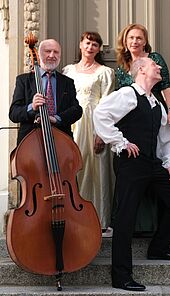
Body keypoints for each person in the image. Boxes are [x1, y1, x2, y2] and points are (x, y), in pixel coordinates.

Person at [93, 57, 170, 291]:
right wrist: (121, 142)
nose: (158, 67)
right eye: (154, 65)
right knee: (125, 218)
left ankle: (158, 248)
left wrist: (169, 163)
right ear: (142, 70)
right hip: (131, 164)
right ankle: (121, 276)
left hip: (153, 163)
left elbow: (165, 137)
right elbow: (101, 114)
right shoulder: (128, 94)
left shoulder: (156, 102)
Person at [114, 23, 170, 233]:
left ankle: (157, 225)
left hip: (154, 113)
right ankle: (136, 226)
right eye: (131, 38)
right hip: (130, 123)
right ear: (125, 41)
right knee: (134, 173)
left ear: (145, 41)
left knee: (158, 168)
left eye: (139, 38)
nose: (135, 41)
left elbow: (166, 87)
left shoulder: (155, 59)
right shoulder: (120, 67)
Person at [63, 32, 115, 231]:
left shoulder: (104, 72)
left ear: (99, 49)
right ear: (80, 45)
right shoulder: (68, 70)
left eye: (95, 44)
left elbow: (107, 103)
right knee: (73, 167)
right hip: (72, 122)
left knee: (95, 170)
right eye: (87, 43)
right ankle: (72, 217)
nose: (90, 47)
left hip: (94, 123)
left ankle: (98, 219)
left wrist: (101, 133)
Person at [9, 38, 82, 145]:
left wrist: (57, 119)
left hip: (61, 139)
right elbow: (13, 113)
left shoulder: (67, 81)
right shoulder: (23, 80)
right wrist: (32, 107)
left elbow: (76, 110)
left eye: (56, 52)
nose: (52, 55)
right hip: (30, 141)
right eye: (48, 51)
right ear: (38, 55)